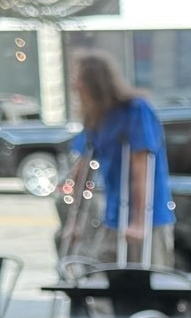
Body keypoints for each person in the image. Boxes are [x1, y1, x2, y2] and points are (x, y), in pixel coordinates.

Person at [66, 51, 176, 266]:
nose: (73, 86)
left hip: (148, 219)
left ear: (93, 82)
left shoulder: (136, 110)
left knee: (147, 286)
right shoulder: (96, 117)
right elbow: (83, 168)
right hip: (114, 217)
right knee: (103, 281)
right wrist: (76, 222)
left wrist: (138, 222)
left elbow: (140, 166)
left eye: (77, 79)